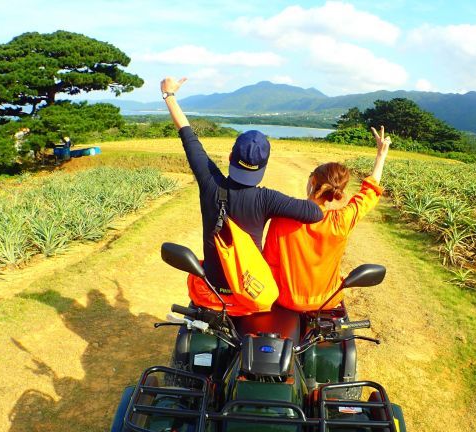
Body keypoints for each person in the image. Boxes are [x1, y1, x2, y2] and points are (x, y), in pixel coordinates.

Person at [160, 76, 323, 317]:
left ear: (230, 158)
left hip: (212, 292)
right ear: (263, 167)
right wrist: (314, 191)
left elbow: (189, 138)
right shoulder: (267, 199)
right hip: (249, 293)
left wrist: (169, 96)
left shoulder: (210, 183)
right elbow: (314, 213)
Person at [263, 126, 391, 313]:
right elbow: (368, 194)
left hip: (285, 301)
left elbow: (270, 263)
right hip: (326, 302)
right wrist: (381, 157)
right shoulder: (341, 221)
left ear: (313, 181)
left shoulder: (282, 219)